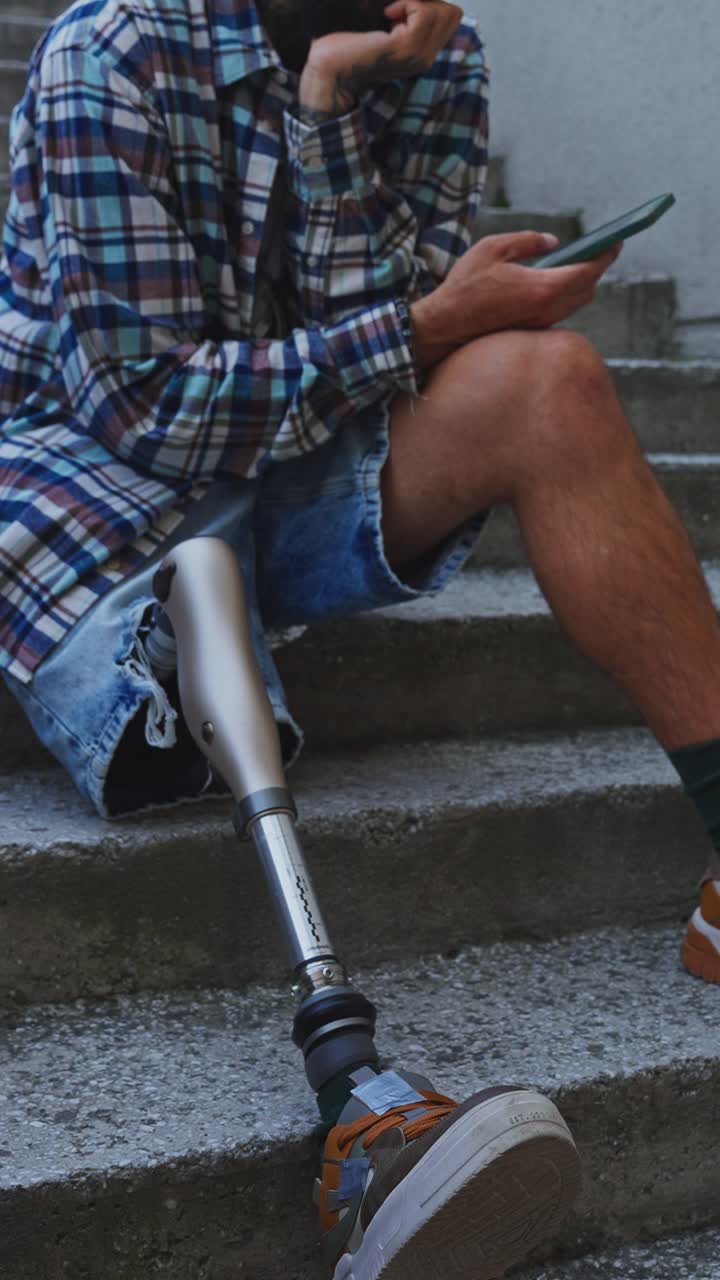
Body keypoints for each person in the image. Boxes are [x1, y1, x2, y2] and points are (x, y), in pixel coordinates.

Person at [1, 0, 719, 1274]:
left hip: (291, 453)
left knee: (549, 381)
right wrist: (427, 324)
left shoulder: (427, 54)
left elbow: (390, 346)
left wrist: (328, 113)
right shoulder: (104, 55)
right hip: (91, 476)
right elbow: (149, 411)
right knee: (179, 703)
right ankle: (362, 1115)